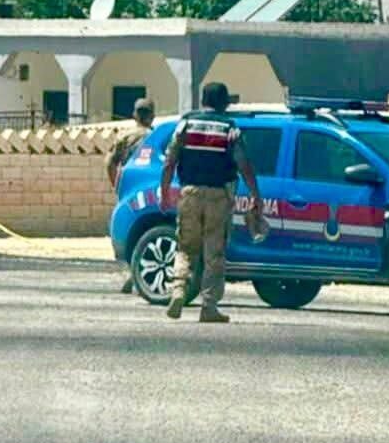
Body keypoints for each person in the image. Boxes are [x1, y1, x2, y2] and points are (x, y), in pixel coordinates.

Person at [159, 81, 268, 323]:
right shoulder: (229, 128)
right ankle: (208, 306)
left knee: (186, 248)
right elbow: (243, 164)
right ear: (223, 102)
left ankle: (178, 291)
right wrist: (255, 195)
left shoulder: (186, 124)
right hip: (218, 196)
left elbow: (169, 161)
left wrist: (165, 191)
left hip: (189, 193)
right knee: (214, 253)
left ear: (203, 100)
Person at [107, 97, 156, 293]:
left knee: (129, 230)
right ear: (152, 116)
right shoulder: (153, 137)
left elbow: (109, 163)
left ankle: (134, 274)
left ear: (134, 115)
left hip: (128, 189)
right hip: (151, 191)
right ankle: (138, 275)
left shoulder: (124, 137)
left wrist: (116, 186)